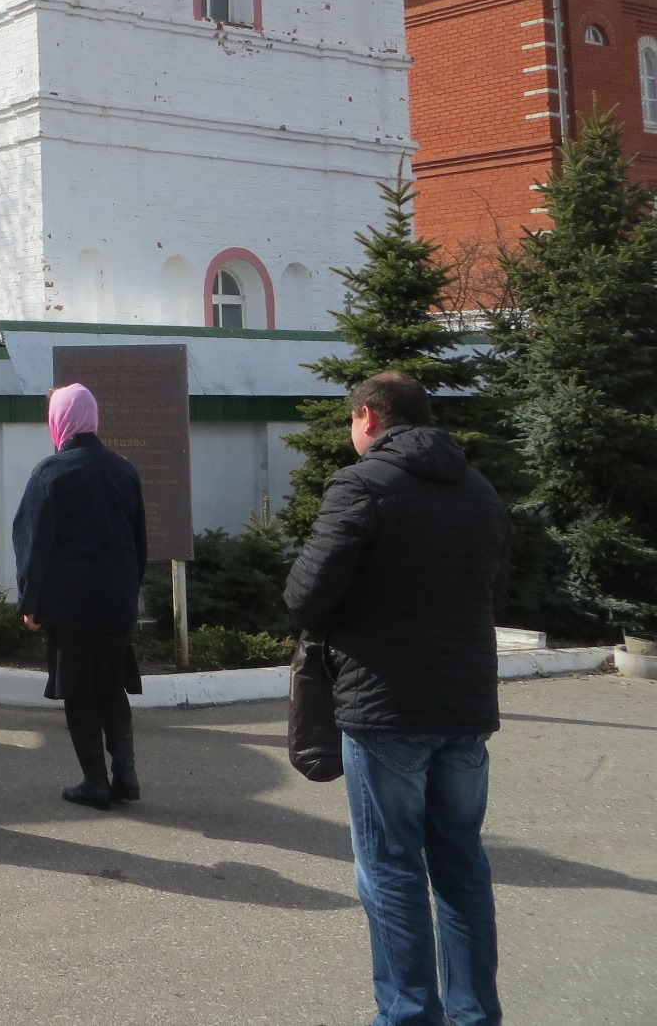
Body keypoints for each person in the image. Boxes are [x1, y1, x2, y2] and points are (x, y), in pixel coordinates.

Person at [284, 372, 510, 1026]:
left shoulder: (361, 486)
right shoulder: (479, 489)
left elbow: (305, 595)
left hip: (384, 709)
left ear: (368, 418)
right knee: (461, 863)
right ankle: (474, 1016)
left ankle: (408, 1016)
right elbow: (496, 583)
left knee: (390, 870)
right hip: (464, 706)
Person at [12, 383, 148, 810]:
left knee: (79, 690)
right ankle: (126, 774)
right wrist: (128, 590)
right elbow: (139, 542)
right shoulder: (124, 469)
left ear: (60, 419)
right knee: (111, 685)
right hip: (117, 601)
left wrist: (30, 601)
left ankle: (95, 782)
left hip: (71, 605)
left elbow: (34, 543)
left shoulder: (51, 472)